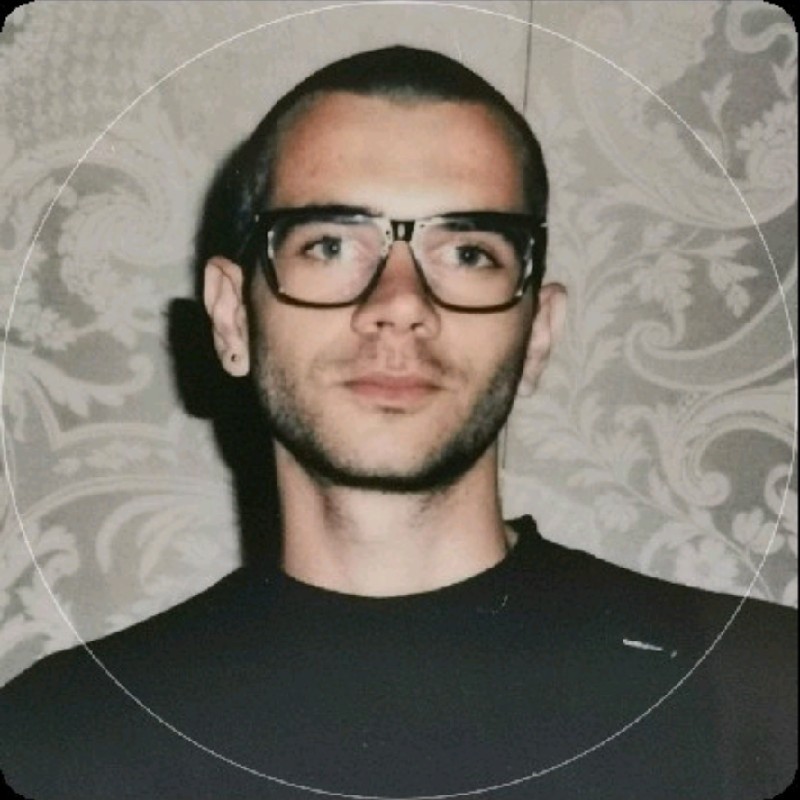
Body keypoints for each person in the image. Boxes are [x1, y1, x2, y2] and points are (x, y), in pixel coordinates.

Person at [0, 46, 795, 800]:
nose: (400, 303)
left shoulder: (764, 694)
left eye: (470, 253)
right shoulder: (60, 736)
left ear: (538, 333)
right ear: (232, 318)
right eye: (330, 245)